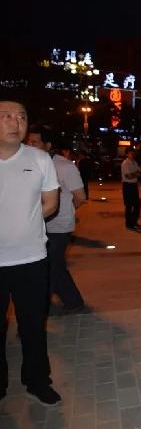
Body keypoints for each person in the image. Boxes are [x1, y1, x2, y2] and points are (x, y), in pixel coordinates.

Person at [0, 100, 61, 406]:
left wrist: (25, 221)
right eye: (6, 116)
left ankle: (37, 380)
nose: (16, 122)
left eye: (21, 117)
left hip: (32, 259)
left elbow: (51, 203)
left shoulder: (39, 159)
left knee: (33, 325)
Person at [26, 127, 87, 314]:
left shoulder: (64, 166)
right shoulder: (30, 164)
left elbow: (80, 196)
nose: (30, 146)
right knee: (55, 265)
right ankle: (73, 301)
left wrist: (66, 209)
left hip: (59, 227)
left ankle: (39, 310)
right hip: (39, 224)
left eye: (35, 142)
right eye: (28, 142)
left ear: (48, 145)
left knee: (50, 267)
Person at [121, 149, 141, 230]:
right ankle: (129, 224)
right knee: (129, 205)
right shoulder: (125, 163)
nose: (132, 155)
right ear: (127, 154)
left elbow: (140, 173)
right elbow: (128, 176)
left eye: (133, 153)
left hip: (134, 185)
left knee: (137, 204)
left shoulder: (135, 162)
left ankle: (134, 221)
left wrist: (134, 174)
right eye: (130, 153)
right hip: (127, 185)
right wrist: (136, 174)